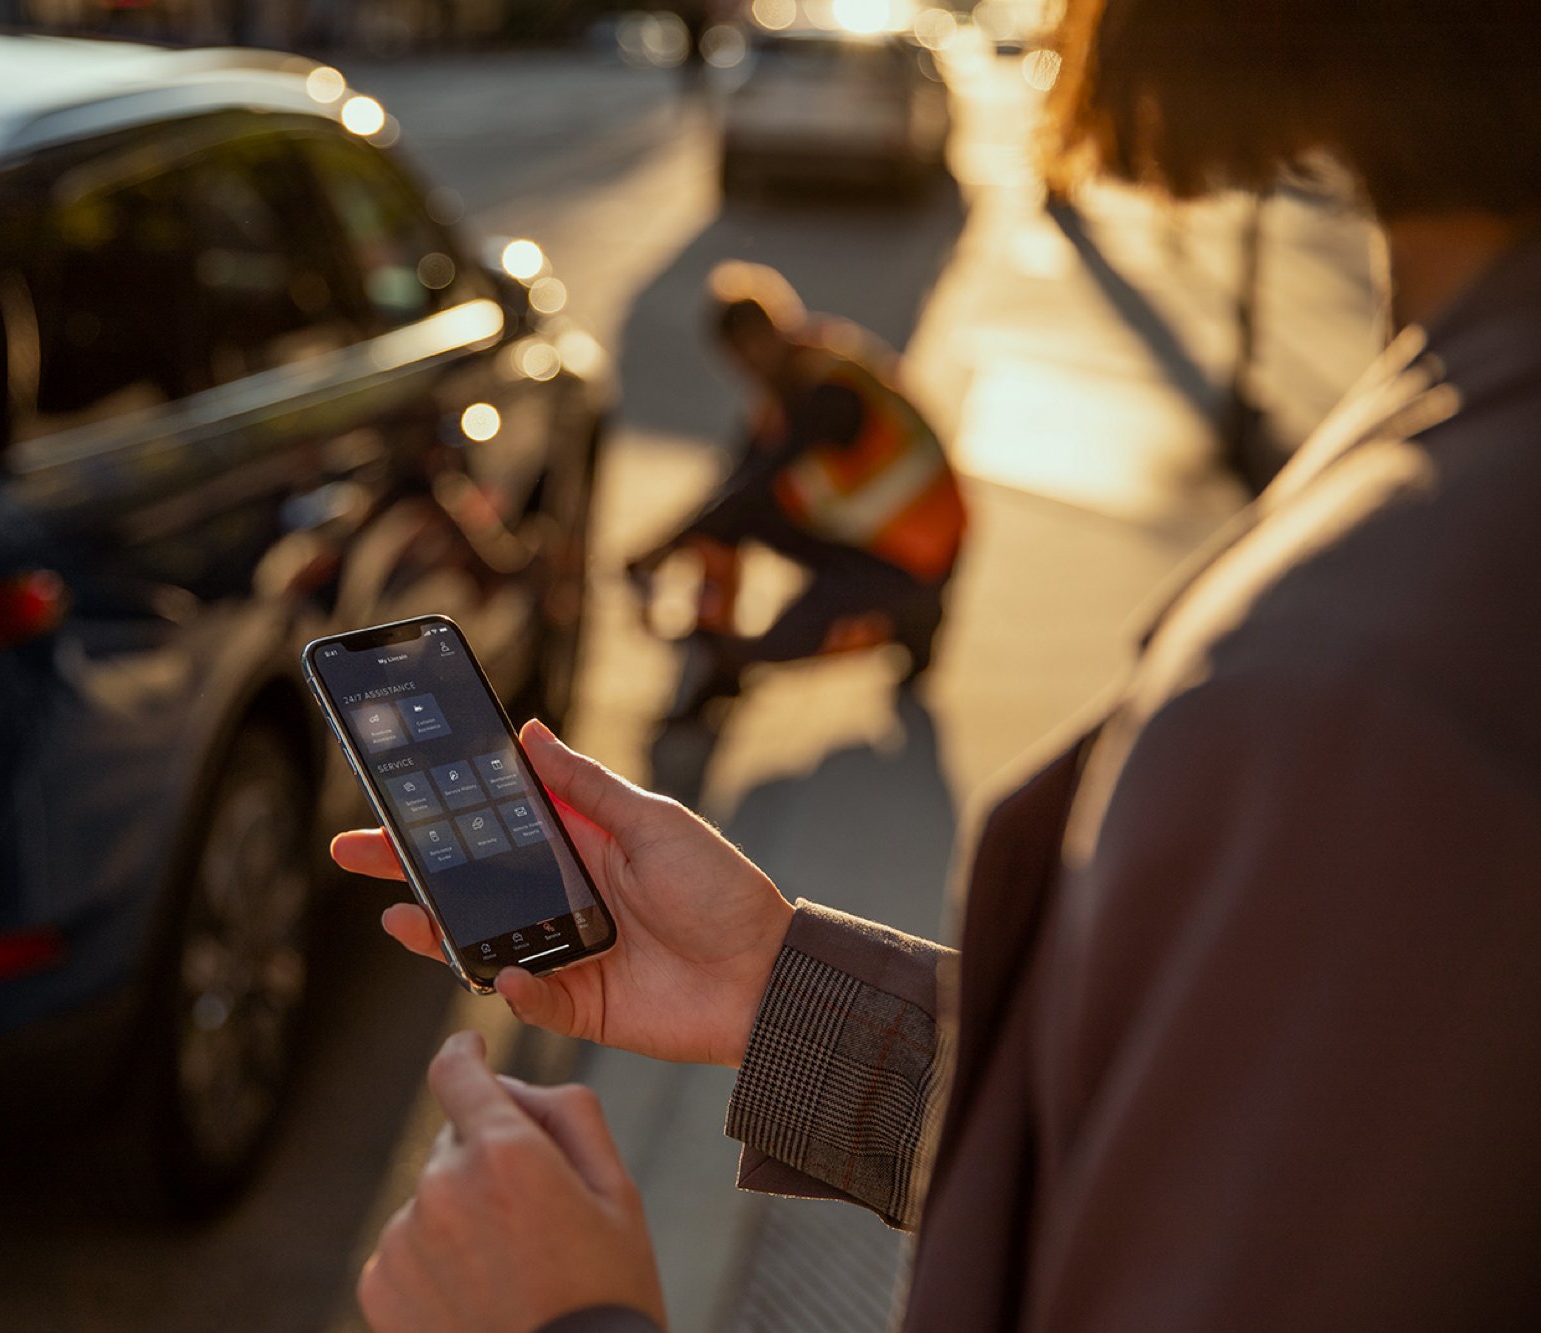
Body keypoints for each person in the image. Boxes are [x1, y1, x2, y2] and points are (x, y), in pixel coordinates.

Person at [334, 0, 1541, 1326]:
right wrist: (780, 997)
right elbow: (1168, 1146)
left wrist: (568, 1323)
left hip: (911, 569)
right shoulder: (1455, 471)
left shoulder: (1368, 681)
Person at [629, 262, 965, 719]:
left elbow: (759, 480)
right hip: (869, 535)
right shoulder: (786, 390)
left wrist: (661, 550)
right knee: (729, 520)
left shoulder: (830, 392)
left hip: (920, 552)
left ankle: (907, 620)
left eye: (754, 347)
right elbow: (733, 486)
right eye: (739, 356)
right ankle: (719, 658)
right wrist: (670, 542)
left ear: (778, 329)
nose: (750, 364)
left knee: (781, 641)